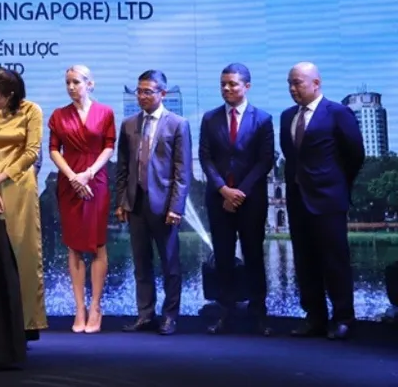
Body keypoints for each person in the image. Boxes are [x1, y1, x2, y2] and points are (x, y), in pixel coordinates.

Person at [281, 62, 365, 340]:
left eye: (298, 83)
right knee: (305, 262)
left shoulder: (338, 113)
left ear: (316, 83)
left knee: (335, 261)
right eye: (290, 83)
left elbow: (355, 154)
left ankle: (343, 318)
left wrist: (337, 184)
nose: (293, 88)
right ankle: (314, 318)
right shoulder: (287, 116)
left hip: (329, 200)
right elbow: (291, 156)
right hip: (297, 200)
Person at [199, 63, 274, 336]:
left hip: (251, 200)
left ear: (247, 86)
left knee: (253, 256)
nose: (227, 88)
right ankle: (226, 314)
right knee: (223, 258)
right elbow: (205, 157)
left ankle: (258, 315)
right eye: (223, 84)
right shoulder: (210, 118)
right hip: (218, 199)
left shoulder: (263, 119)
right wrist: (223, 189)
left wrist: (239, 192)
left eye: (232, 84)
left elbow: (265, 160)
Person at [114, 70, 191, 336]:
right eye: (139, 91)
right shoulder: (128, 124)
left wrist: (176, 207)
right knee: (141, 264)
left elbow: (182, 170)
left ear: (162, 94)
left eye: (147, 91)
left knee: (170, 265)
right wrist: (121, 201)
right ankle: (145, 315)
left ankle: (170, 317)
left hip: (165, 206)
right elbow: (122, 167)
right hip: (136, 204)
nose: (142, 96)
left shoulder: (178, 124)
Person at [0, 67, 47, 340]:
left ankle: (27, 321)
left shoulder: (32, 111)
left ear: (10, 95)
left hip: (20, 185)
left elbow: (31, 152)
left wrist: (0, 179)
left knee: (24, 252)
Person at [47, 65, 116, 334]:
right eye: (68, 82)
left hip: (96, 181)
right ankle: (79, 308)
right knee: (74, 246)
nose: (71, 87)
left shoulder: (105, 112)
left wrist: (88, 173)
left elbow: (109, 146)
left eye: (76, 82)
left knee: (98, 244)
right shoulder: (58, 115)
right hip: (69, 182)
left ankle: (96, 306)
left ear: (90, 84)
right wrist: (73, 177)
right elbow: (54, 149)